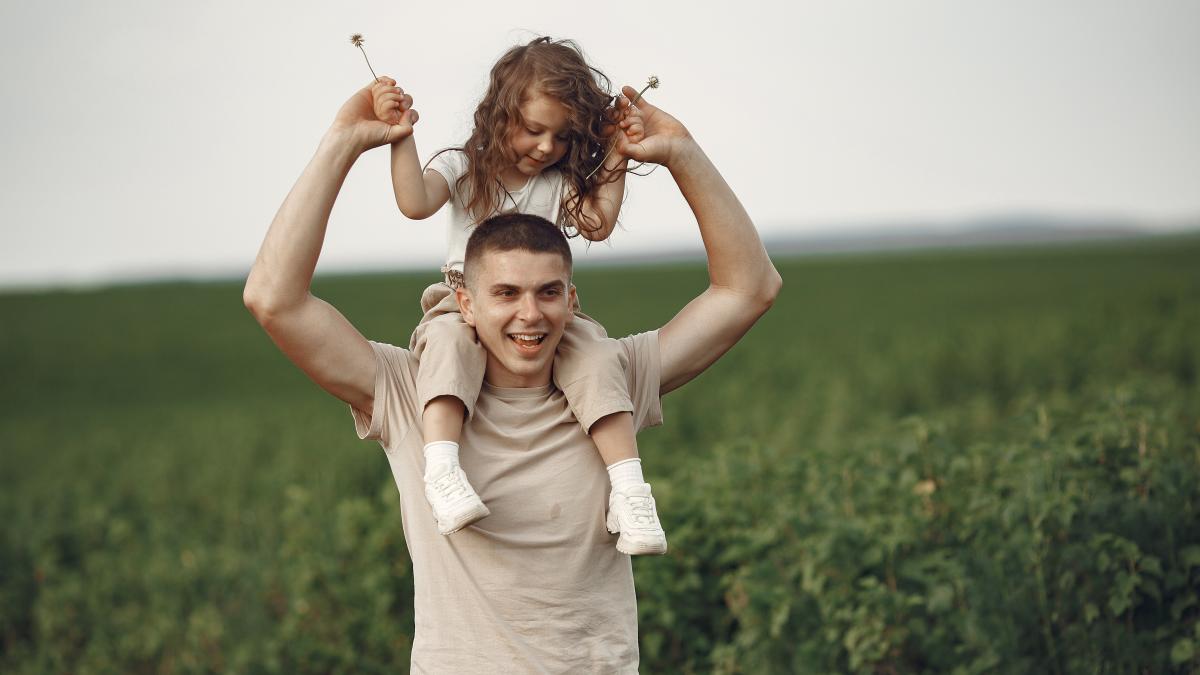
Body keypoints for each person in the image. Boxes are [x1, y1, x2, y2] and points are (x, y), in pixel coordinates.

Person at [243, 74, 781, 672]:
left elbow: (749, 288)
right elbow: (274, 300)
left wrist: (682, 152)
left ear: (572, 300)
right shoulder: (408, 391)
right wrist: (341, 145)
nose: (531, 313)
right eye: (505, 292)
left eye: (549, 292)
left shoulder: (612, 379)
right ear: (464, 301)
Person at [371, 37, 664, 553]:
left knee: (597, 355)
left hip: (544, 311)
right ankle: (442, 470)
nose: (547, 147)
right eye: (533, 130)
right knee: (448, 346)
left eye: (562, 136)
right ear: (499, 114)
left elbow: (595, 223)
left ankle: (629, 489)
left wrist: (618, 150)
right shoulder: (463, 167)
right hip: (460, 302)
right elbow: (415, 202)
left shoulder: (556, 182)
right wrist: (401, 138)